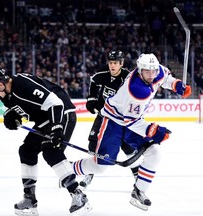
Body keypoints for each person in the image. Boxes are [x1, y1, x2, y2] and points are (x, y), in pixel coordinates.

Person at [72, 53, 191, 211]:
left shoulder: (156, 71)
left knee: (154, 154)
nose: (151, 75)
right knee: (100, 166)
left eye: (153, 71)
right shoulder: (136, 89)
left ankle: (138, 191)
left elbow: (164, 78)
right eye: (147, 72)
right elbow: (131, 122)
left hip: (130, 120)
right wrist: (153, 130)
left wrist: (176, 85)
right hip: (113, 122)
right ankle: (68, 170)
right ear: (140, 70)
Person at [0, 66, 91, 216]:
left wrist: (57, 128)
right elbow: (22, 108)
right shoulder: (6, 95)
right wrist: (12, 117)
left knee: (50, 150)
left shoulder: (23, 84)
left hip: (62, 113)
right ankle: (29, 199)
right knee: (26, 151)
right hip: (45, 118)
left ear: (0, 84)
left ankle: (79, 195)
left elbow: (55, 103)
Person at [80, 50, 139, 188]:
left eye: (115, 63)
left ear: (121, 63)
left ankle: (137, 174)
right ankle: (89, 172)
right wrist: (92, 99)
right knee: (93, 143)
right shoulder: (101, 75)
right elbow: (93, 82)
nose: (112, 66)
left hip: (120, 119)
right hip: (104, 116)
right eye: (110, 63)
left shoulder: (128, 78)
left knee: (127, 145)